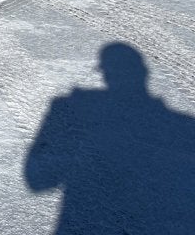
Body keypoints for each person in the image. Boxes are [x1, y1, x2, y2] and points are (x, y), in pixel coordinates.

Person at [25, 43, 195, 233]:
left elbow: (39, 180)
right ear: (144, 72)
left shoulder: (71, 107)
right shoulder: (185, 126)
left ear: (105, 72)